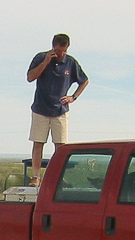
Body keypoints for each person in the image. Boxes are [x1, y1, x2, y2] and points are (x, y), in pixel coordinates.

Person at [27, 33, 89, 186]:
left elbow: (84, 81)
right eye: (58, 51)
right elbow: (30, 77)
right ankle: (36, 177)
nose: (61, 54)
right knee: (38, 143)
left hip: (60, 110)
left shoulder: (70, 63)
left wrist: (73, 97)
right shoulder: (41, 58)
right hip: (40, 108)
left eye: (64, 51)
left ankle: (58, 177)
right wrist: (46, 62)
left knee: (61, 146)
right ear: (53, 47)